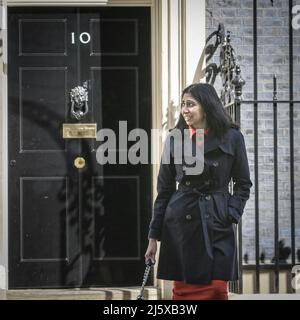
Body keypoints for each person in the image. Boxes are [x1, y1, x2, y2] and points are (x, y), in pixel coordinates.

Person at [145, 83, 252, 300]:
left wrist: (230, 213)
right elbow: (164, 190)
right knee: (184, 293)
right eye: (183, 104)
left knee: (216, 290)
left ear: (206, 106)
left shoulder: (232, 137)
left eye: (190, 104)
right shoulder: (175, 139)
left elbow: (243, 184)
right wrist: (153, 236)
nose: (184, 109)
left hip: (217, 222)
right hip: (182, 226)